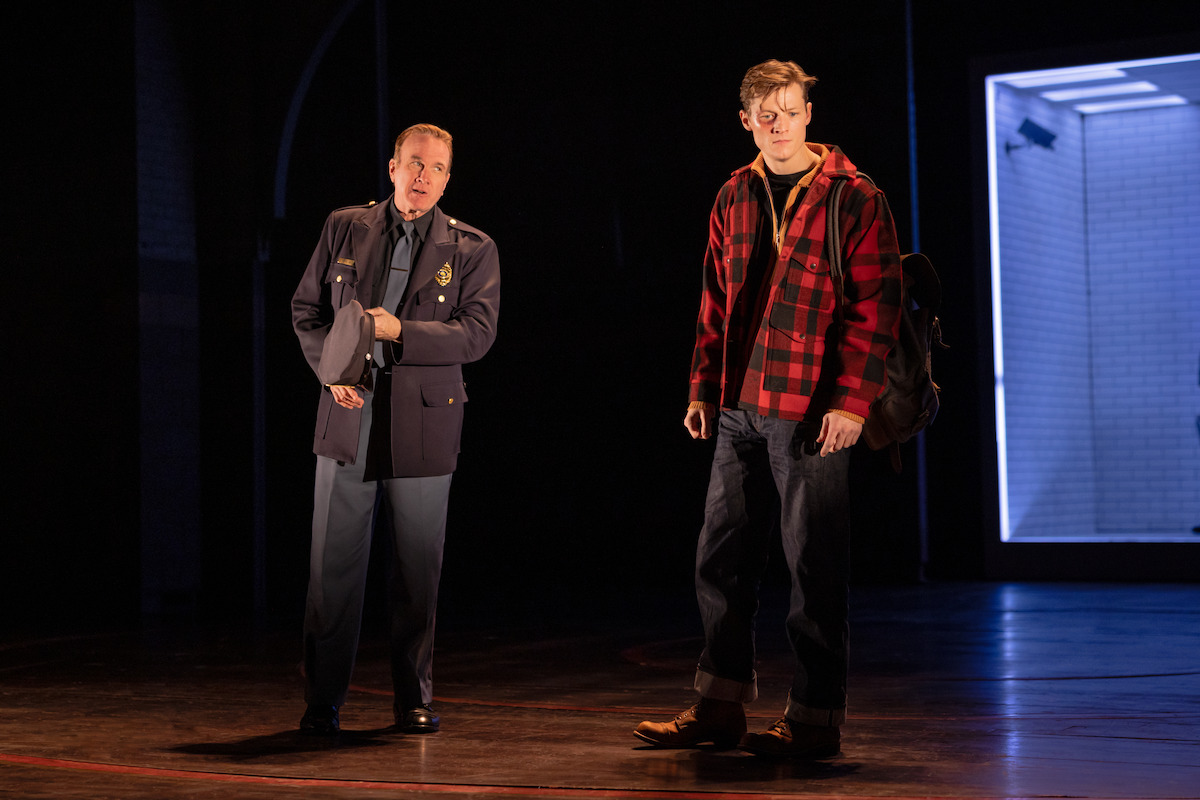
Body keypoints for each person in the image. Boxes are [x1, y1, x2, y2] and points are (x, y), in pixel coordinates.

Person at [634, 60, 901, 758]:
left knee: (813, 566)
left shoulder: (856, 197)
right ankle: (719, 707)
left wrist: (851, 403)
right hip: (738, 407)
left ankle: (815, 720)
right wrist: (701, 388)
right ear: (747, 120)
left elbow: (877, 310)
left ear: (808, 111)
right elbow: (713, 301)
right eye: (765, 113)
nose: (778, 124)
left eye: (789, 109)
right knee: (718, 559)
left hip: (812, 411)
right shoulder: (733, 194)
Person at [291, 123, 500, 735]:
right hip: (347, 418)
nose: (421, 178)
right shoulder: (345, 225)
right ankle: (322, 703)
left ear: (447, 178)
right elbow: (307, 312)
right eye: (413, 164)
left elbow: (478, 333)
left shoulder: (473, 248)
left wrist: (399, 331)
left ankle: (414, 698)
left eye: (435, 169)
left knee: (416, 573)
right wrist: (329, 373)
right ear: (391, 167)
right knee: (331, 574)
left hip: (425, 425)